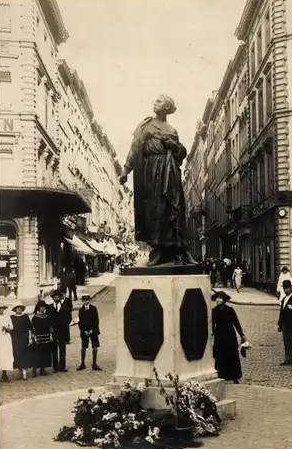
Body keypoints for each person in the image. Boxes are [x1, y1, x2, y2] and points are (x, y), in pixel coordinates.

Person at [119, 94, 197, 267]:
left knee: (173, 208)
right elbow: (134, 150)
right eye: (155, 100)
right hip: (150, 171)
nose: (154, 102)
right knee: (154, 210)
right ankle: (158, 249)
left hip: (169, 171)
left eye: (159, 101)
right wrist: (125, 171)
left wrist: (175, 147)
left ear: (167, 108)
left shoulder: (172, 130)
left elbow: (179, 156)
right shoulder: (145, 126)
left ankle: (181, 250)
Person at [211, 291, 247, 384]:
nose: (218, 300)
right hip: (219, 336)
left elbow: (236, 323)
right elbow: (212, 324)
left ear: (224, 300)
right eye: (217, 298)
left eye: (220, 298)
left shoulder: (230, 310)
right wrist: (212, 334)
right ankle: (222, 375)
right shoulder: (214, 311)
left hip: (230, 335)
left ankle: (234, 376)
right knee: (220, 356)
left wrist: (242, 334)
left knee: (232, 356)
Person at [277, 280, 292, 368]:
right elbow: (281, 313)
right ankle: (288, 359)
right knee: (286, 342)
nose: (286, 290)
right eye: (285, 289)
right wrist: (280, 324)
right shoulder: (284, 299)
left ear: (291, 288)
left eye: (287, 288)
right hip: (285, 324)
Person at [76, 294, 102, 371]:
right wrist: (84, 331)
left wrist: (93, 329)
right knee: (83, 347)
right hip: (85, 332)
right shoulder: (81, 310)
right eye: (84, 300)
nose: (85, 302)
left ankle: (94, 364)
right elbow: (80, 322)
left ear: (89, 300)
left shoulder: (94, 309)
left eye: (87, 300)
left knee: (95, 347)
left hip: (93, 331)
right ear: (82, 301)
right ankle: (82, 363)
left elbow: (96, 320)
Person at [48, 290, 72, 373]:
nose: (56, 298)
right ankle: (55, 367)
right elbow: (48, 320)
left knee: (62, 349)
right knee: (54, 350)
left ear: (60, 297)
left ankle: (62, 366)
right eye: (55, 297)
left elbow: (69, 318)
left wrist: (65, 325)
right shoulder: (49, 308)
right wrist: (50, 328)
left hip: (62, 331)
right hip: (53, 332)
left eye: (58, 296)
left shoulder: (65, 307)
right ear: (53, 298)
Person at [10, 301, 32, 380]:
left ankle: (24, 372)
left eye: (20, 308)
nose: (19, 309)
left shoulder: (25, 316)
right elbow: (10, 328)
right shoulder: (12, 317)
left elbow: (30, 328)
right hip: (15, 338)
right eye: (17, 308)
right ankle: (20, 371)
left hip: (24, 337)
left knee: (24, 354)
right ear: (15, 309)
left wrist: (30, 338)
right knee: (17, 355)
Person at [31, 300, 53, 377]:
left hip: (46, 337)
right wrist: (34, 338)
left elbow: (50, 327)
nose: (43, 308)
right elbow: (33, 329)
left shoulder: (47, 316)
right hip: (38, 338)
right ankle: (34, 370)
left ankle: (42, 369)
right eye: (41, 307)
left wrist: (50, 336)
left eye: (44, 307)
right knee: (36, 354)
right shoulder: (35, 317)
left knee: (45, 353)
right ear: (38, 308)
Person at [0, 303, 14, 382]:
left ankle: (4, 374)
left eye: (2, 308)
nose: (1, 310)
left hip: (5, 338)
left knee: (5, 355)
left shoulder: (7, 316)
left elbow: (11, 327)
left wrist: (7, 328)